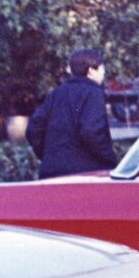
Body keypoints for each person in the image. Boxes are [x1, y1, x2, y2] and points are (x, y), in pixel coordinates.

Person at [26, 48, 117, 179]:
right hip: (86, 174)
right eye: (102, 68)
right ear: (91, 70)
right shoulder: (94, 93)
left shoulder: (56, 93)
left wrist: (48, 156)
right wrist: (110, 159)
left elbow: (33, 129)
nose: (104, 72)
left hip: (50, 172)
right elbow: (91, 131)